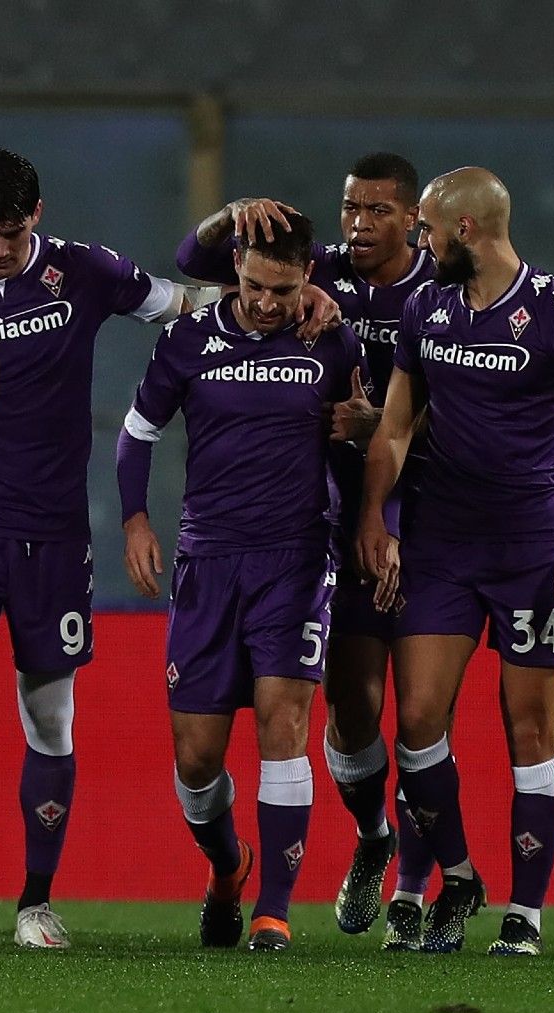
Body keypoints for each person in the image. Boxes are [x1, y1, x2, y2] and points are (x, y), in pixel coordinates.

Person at [0, 148, 218, 949]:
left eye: (11, 233)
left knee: (49, 720)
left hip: (51, 535)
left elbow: (179, 302)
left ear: (36, 215)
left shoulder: (83, 272)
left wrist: (268, 298)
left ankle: (34, 903)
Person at [358, 167, 554, 956]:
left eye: (428, 231)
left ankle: (525, 916)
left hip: (532, 550)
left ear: (469, 231)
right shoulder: (427, 308)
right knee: (418, 720)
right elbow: (396, 425)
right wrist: (379, 517)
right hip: (443, 542)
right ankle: (441, 881)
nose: (420, 242)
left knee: (529, 730)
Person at [175, 152, 443, 948]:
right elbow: (196, 263)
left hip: (433, 517)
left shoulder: (444, 289)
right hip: (338, 517)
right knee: (354, 707)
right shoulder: (315, 272)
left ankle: (417, 889)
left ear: (414, 223)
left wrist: (390, 437)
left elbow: (462, 397)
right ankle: (372, 837)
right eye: (349, 209)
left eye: (376, 213)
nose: (357, 225)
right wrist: (235, 215)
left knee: (426, 715)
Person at [117, 211, 368, 952]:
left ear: (307, 281)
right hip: (207, 562)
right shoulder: (187, 341)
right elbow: (137, 433)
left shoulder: (330, 339)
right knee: (195, 762)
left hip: (294, 557)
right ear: (235, 271)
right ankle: (229, 868)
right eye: (255, 285)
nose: (267, 302)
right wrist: (136, 520)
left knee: (283, 725)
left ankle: (275, 912)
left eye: (284, 290)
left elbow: (357, 445)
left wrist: (362, 523)